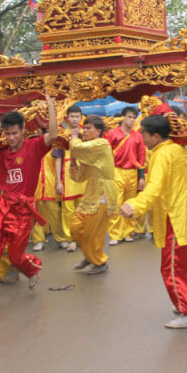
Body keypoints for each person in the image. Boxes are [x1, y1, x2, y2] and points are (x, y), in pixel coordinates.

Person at [120, 115, 187, 329]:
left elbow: (155, 186)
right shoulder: (176, 149)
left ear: (156, 136)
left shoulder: (162, 154)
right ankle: (185, 304)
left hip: (175, 218)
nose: (142, 137)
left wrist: (136, 205)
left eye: (145, 134)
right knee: (184, 268)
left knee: (173, 269)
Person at [0, 96, 57, 307]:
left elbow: (52, 135)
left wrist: (51, 107)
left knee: (16, 258)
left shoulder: (34, 147)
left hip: (23, 211)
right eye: (7, 134)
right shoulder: (0, 152)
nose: (11, 137)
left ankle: (32, 269)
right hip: (2, 207)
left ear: (22, 130)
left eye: (15, 133)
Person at [69, 115, 118, 274]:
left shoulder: (101, 144)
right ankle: (90, 255)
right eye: (85, 127)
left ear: (98, 131)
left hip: (103, 191)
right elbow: (79, 177)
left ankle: (99, 262)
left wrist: (74, 138)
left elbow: (77, 148)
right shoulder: (88, 149)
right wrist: (73, 161)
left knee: (93, 232)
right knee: (76, 228)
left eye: (88, 128)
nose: (85, 131)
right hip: (91, 191)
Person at [106, 107, 146, 245]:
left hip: (132, 173)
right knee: (116, 203)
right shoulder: (112, 134)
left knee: (129, 204)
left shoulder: (138, 136)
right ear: (123, 117)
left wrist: (141, 177)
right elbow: (106, 154)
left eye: (134, 117)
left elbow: (141, 157)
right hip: (116, 171)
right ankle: (115, 234)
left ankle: (128, 232)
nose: (132, 120)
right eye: (129, 117)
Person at [53, 105, 86, 252]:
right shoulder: (62, 135)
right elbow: (58, 159)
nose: (74, 119)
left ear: (81, 117)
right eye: (72, 116)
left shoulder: (86, 133)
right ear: (67, 118)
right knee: (67, 210)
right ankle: (70, 238)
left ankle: (83, 237)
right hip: (68, 175)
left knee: (84, 208)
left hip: (84, 174)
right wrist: (58, 181)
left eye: (77, 116)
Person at [30, 147, 68, 251]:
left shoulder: (54, 145)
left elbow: (58, 163)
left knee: (54, 212)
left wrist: (59, 182)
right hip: (33, 184)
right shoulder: (30, 145)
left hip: (50, 183)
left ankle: (60, 238)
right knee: (35, 214)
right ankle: (38, 240)